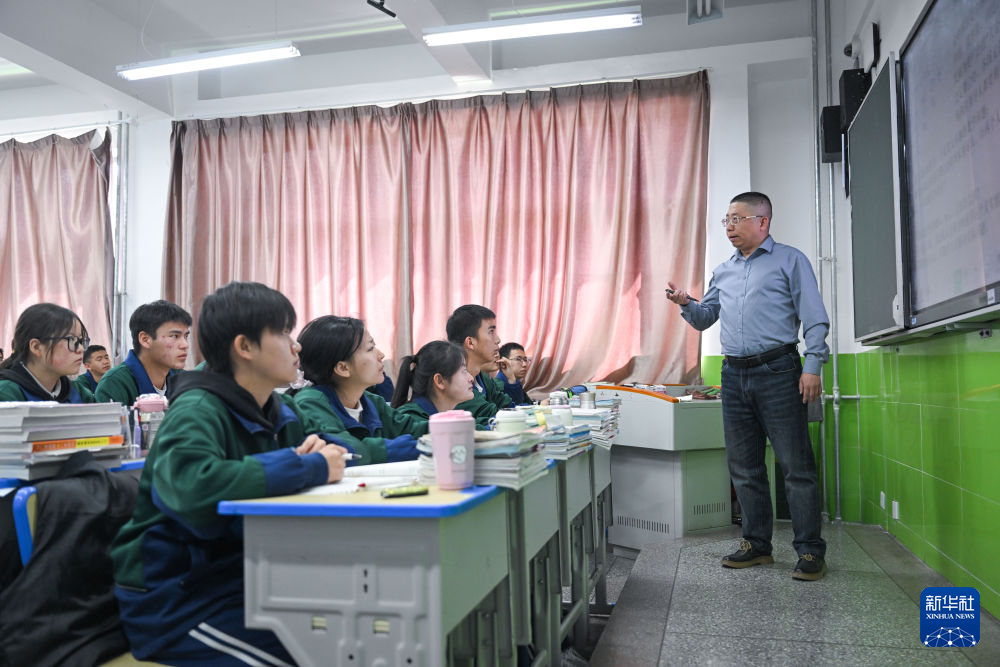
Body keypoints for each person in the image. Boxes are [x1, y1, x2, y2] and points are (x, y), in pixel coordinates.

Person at [111, 281, 347, 666]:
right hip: (177, 600)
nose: (296, 347)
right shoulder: (197, 409)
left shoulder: (277, 411)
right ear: (244, 347)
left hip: (243, 581)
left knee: (347, 636)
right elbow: (194, 486)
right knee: (310, 657)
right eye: (283, 333)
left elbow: (323, 455)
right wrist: (304, 466)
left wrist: (318, 461)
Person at [667, 191, 829, 581]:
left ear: (763, 221)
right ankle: (756, 545)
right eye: (726, 220)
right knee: (744, 466)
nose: (729, 227)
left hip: (779, 370)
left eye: (737, 219)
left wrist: (813, 366)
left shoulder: (790, 260)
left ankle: (810, 551)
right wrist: (686, 302)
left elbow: (815, 317)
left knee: (796, 466)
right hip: (734, 374)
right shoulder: (723, 270)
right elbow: (705, 317)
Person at [293, 316, 428, 465]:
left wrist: (444, 428)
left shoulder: (371, 402)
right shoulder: (310, 403)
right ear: (343, 368)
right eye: (370, 349)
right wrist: (417, 446)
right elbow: (345, 448)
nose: (381, 355)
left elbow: (412, 428)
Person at [96, 300, 191, 406]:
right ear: (145, 340)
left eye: (186, 336)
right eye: (174, 336)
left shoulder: (184, 380)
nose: (185, 345)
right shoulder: (114, 384)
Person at [0, 303, 95, 403]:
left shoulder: (76, 391)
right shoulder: (6, 394)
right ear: (36, 347)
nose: (80, 349)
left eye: (80, 341)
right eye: (71, 339)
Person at [446, 305, 513, 426]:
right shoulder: (455, 384)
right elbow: (497, 418)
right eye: (491, 332)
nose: (498, 340)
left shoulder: (483, 378)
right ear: (470, 342)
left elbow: (509, 406)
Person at [390, 340, 477, 423]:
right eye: (464, 371)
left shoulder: (435, 416)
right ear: (439, 381)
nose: (471, 378)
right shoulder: (412, 421)